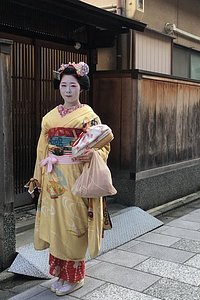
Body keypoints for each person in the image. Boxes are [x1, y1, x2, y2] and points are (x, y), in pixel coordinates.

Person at [30, 62, 110, 296]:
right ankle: (61, 274)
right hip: (53, 175)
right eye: (63, 85)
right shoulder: (49, 117)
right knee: (56, 223)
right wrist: (39, 177)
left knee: (73, 223)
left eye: (72, 85)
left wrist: (92, 154)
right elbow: (42, 149)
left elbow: (103, 145)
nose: (67, 90)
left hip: (76, 175)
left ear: (80, 88)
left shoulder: (89, 116)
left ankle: (75, 277)